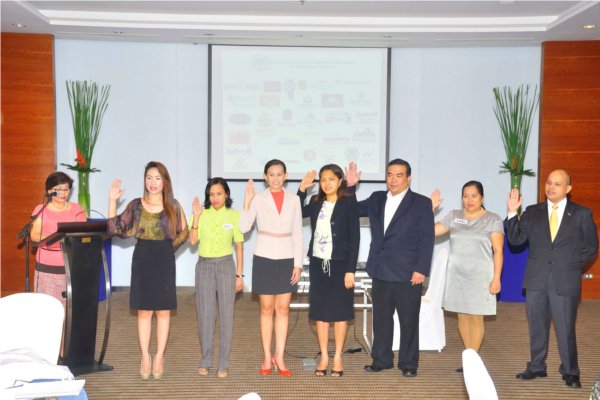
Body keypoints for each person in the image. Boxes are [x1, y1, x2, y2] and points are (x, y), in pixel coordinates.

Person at [506, 169, 598, 389]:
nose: (551, 187)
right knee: (537, 326)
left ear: (568, 189)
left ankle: (570, 370)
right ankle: (537, 366)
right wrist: (511, 213)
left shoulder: (582, 214)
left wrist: (573, 268)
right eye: (548, 182)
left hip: (565, 280)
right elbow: (516, 240)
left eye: (557, 184)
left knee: (566, 328)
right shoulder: (531, 211)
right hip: (537, 278)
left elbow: (591, 247)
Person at [348, 159, 434, 377]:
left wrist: (421, 269)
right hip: (381, 270)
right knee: (381, 319)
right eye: (389, 175)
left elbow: (427, 239)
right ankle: (382, 359)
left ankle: (408, 364)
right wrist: (350, 187)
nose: (393, 179)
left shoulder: (421, 203)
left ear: (408, 178)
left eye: (399, 175)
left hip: (408, 273)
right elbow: (351, 210)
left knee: (408, 321)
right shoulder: (377, 198)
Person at [107, 161, 188, 380]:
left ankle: (159, 356)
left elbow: (183, 232)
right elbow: (116, 228)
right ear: (144, 180)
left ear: (165, 181)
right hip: (142, 258)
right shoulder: (135, 205)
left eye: (157, 178)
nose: (153, 182)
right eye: (149, 178)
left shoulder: (174, 205)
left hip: (164, 259)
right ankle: (145, 357)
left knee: (163, 311)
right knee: (143, 311)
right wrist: (112, 201)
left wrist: (167, 249)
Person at [238, 159, 303, 377]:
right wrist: (247, 201)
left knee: (283, 309)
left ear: (285, 176)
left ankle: (280, 356)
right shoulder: (258, 198)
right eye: (271, 174)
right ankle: (267, 355)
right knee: (266, 308)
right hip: (264, 256)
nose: (275, 178)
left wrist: (298, 264)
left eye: (279, 174)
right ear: (265, 177)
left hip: (287, 257)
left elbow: (298, 233)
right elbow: (244, 227)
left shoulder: (294, 200)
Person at [431, 181, 504, 371]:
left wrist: (496, 277)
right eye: (465, 196)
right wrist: (430, 210)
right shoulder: (454, 216)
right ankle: (470, 357)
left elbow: (498, 250)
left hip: (481, 275)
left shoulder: (492, 219)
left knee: (476, 317)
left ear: (482, 198)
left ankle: (473, 359)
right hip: (457, 274)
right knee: (462, 316)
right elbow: (430, 232)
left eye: (474, 196)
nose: (469, 200)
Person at [297, 164, 360, 377]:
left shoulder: (348, 202)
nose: (326, 183)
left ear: (340, 180)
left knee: (341, 312)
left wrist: (350, 270)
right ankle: (324, 355)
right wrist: (302, 189)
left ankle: (338, 356)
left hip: (341, 265)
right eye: (323, 179)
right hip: (318, 264)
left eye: (331, 179)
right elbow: (295, 213)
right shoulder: (316, 203)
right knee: (321, 312)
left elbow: (355, 237)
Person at [189, 178, 244, 379]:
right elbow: (193, 241)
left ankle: (224, 363)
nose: (215, 198)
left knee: (226, 315)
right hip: (204, 266)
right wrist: (195, 217)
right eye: (211, 194)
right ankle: (205, 359)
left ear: (226, 194)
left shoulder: (234, 215)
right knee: (205, 315)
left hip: (226, 265)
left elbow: (239, 245)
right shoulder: (201, 214)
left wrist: (239, 275)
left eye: (219, 193)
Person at [30, 171, 86, 304]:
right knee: (47, 307)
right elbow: (34, 235)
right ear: (49, 191)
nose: (63, 193)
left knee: (67, 307)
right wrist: (58, 237)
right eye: (58, 190)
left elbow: (83, 234)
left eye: (66, 189)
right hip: (46, 268)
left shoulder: (76, 209)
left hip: (71, 265)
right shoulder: (41, 209)